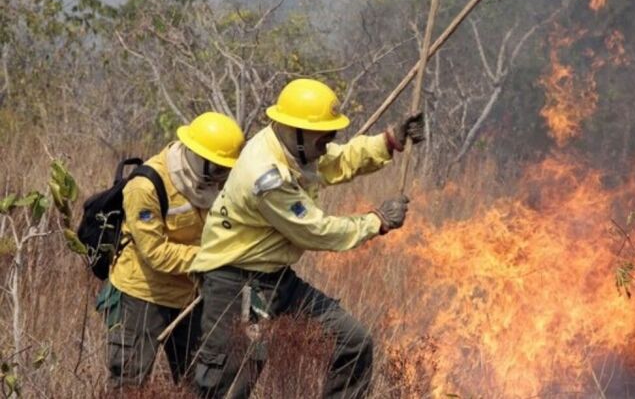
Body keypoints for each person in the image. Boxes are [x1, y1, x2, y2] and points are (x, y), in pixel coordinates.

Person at [189, 78, 424, 399]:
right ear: (296, 130)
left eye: (331, 136)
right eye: (323, 137)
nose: (327, 144)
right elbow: (316, 230)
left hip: (276, 280)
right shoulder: (266, 175)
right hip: (236, 285)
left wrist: (388, 141)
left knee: (352, 343)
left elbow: (335, 160)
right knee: (231, 384)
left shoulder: (290, 146)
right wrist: (377, 221)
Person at [97, 112, 245, 388]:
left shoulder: (213, 184)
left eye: (227, 170)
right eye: (217, 168)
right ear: (196, 156)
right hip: (141, 296)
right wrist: (214, 259)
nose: (222, 177)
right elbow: (155, 253)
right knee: (129, 383)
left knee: (202, 380)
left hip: (191, 295)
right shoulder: (146, 186)